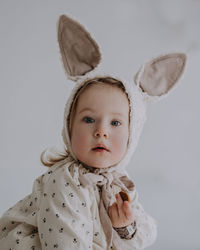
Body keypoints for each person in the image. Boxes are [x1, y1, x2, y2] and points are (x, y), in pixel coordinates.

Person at [0, 14, 186, 250]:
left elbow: (148, 232)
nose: (101, 131)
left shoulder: (119, 182)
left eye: (116, 123)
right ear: (69, 127)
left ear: (132, 135)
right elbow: (66, 244)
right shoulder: (64, 181)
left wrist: (125, 227)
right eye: (89, 119)